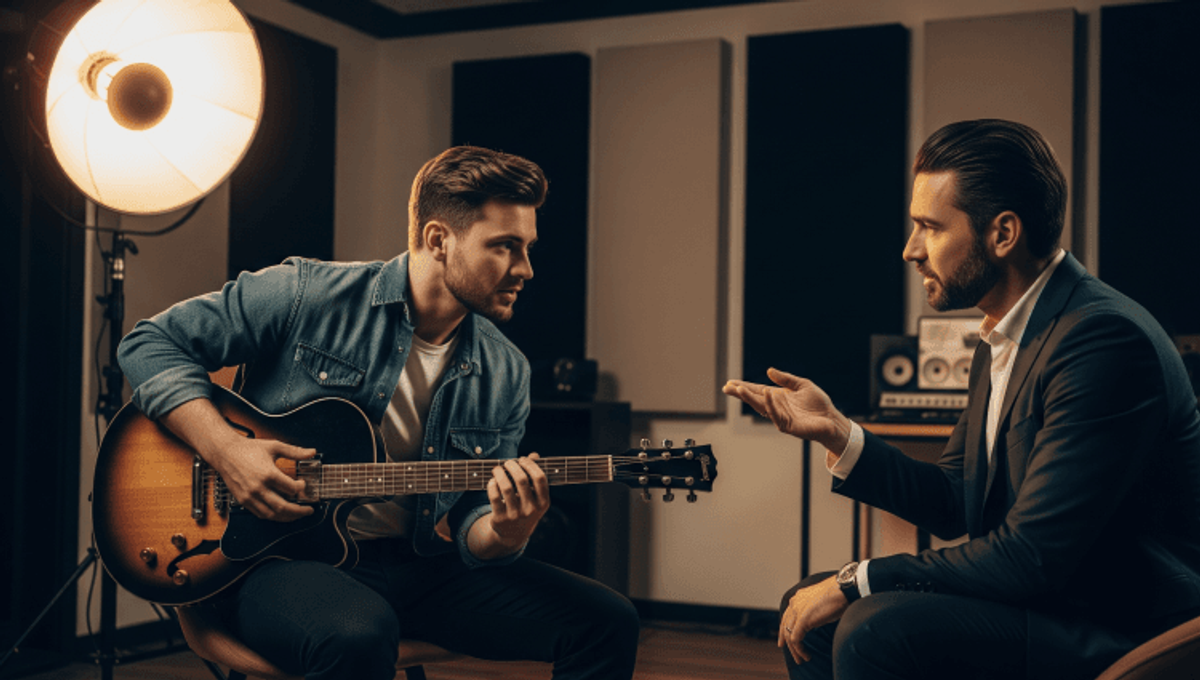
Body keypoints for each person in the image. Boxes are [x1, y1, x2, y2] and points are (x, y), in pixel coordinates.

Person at [117, 145, 640, 680]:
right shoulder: (307, 294)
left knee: (607, 620)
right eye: (505, 247)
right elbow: (148, 344)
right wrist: (227, 451)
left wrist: (508, 530)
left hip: (410, 565)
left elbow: (470, 522)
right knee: (359, 636)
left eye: (527, 248)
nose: (525, 269)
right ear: (439, 239)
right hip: (272, 561)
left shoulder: (506, 370)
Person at [724, 119, 1200, 680]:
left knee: (870, 624)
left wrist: (858, 579)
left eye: (930, 227)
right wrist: (839, 433)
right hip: (1054, 599)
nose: (910, 251)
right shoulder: (1005, 332)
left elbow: (1032, 556)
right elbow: (957, 498)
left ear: (1002, 234)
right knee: (809, 606)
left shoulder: (1102, 341)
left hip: (1119, 624)